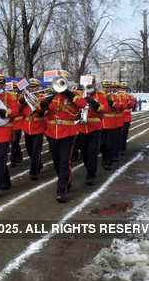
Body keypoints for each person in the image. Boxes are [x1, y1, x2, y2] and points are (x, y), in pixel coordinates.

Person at [42, 70, 87, 203]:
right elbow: (39, 109)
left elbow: (83, 104)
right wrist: (43, 104)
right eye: (59, 81)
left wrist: (69, 94)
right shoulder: (51, 95)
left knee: (64, 161)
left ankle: (61, 191)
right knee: (56, 161)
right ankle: (66, 179)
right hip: (52, 132)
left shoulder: (74, 95)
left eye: (63, 81)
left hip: (68, 131)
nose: (60, 84)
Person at [75, 77, 109, 185]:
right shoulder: (79, 94)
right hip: (82, 127)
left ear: (94, 84)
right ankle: (89, 168)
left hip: (95, 127)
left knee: (92, 152)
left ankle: (91, 175)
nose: (89, 86)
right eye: (86, 84)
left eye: (90, 84)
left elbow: (105, 109)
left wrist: (94, 103)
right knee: (84, 153)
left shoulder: (100, 95)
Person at [18, 79, 46, 180]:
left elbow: (44, 111)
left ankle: (34, 172)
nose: (32, 89)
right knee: (29, 150)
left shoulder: (42, 98)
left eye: (34, 87)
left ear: (38, 87)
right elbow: (18, 110)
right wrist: (21, 102)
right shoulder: (24, 97)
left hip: (38, 126)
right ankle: (38, 162)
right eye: (31, 87)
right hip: (27, 127)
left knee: (35, 151)